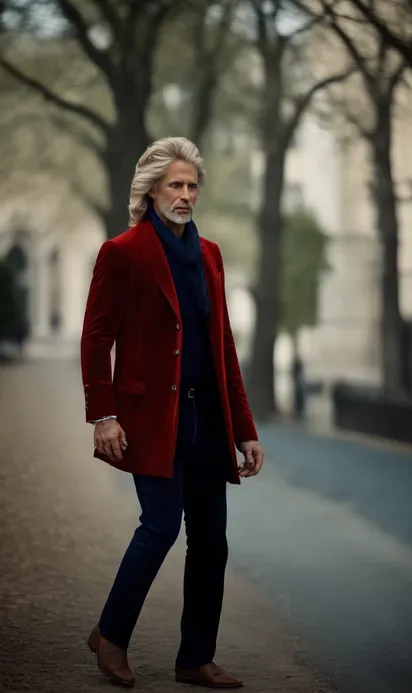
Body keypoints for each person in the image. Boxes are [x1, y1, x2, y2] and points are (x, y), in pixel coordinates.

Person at [80, 137, 264, 689]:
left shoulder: (209, 255)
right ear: (151, 190)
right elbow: (96, 338)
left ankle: (195, 658)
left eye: (191, 186)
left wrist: (245, 429)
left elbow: (222, 346)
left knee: (211, 540)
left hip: (208, 419)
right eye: (175, 186)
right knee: (159, 528)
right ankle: (110, 636)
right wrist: (103, 414)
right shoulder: (123, 251)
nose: (185, 196)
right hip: (150, 420)